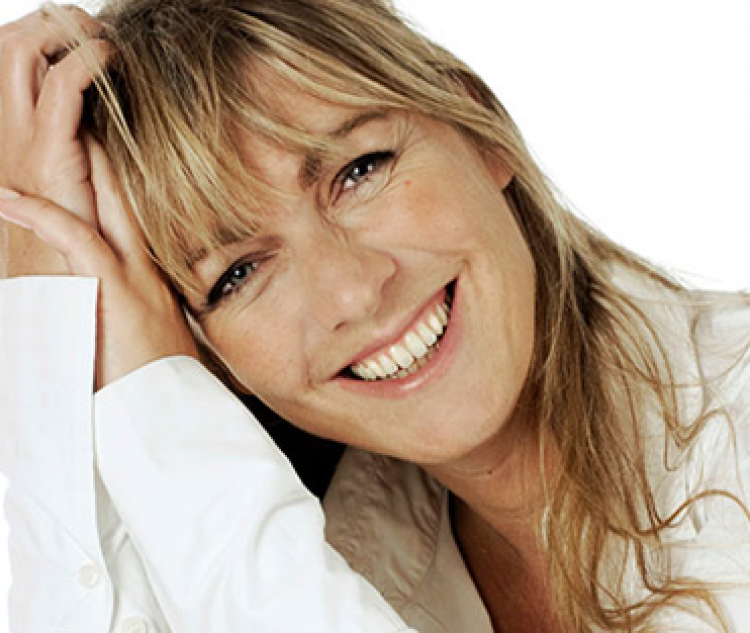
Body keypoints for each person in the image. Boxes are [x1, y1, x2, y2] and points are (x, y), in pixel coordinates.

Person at [1, 1, 749, 632]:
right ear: (214, 360)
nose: (353, 293)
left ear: (480, 130)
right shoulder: (335, 541)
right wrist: (47, 314)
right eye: (237, 274)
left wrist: (160, 414)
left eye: (358, 172)